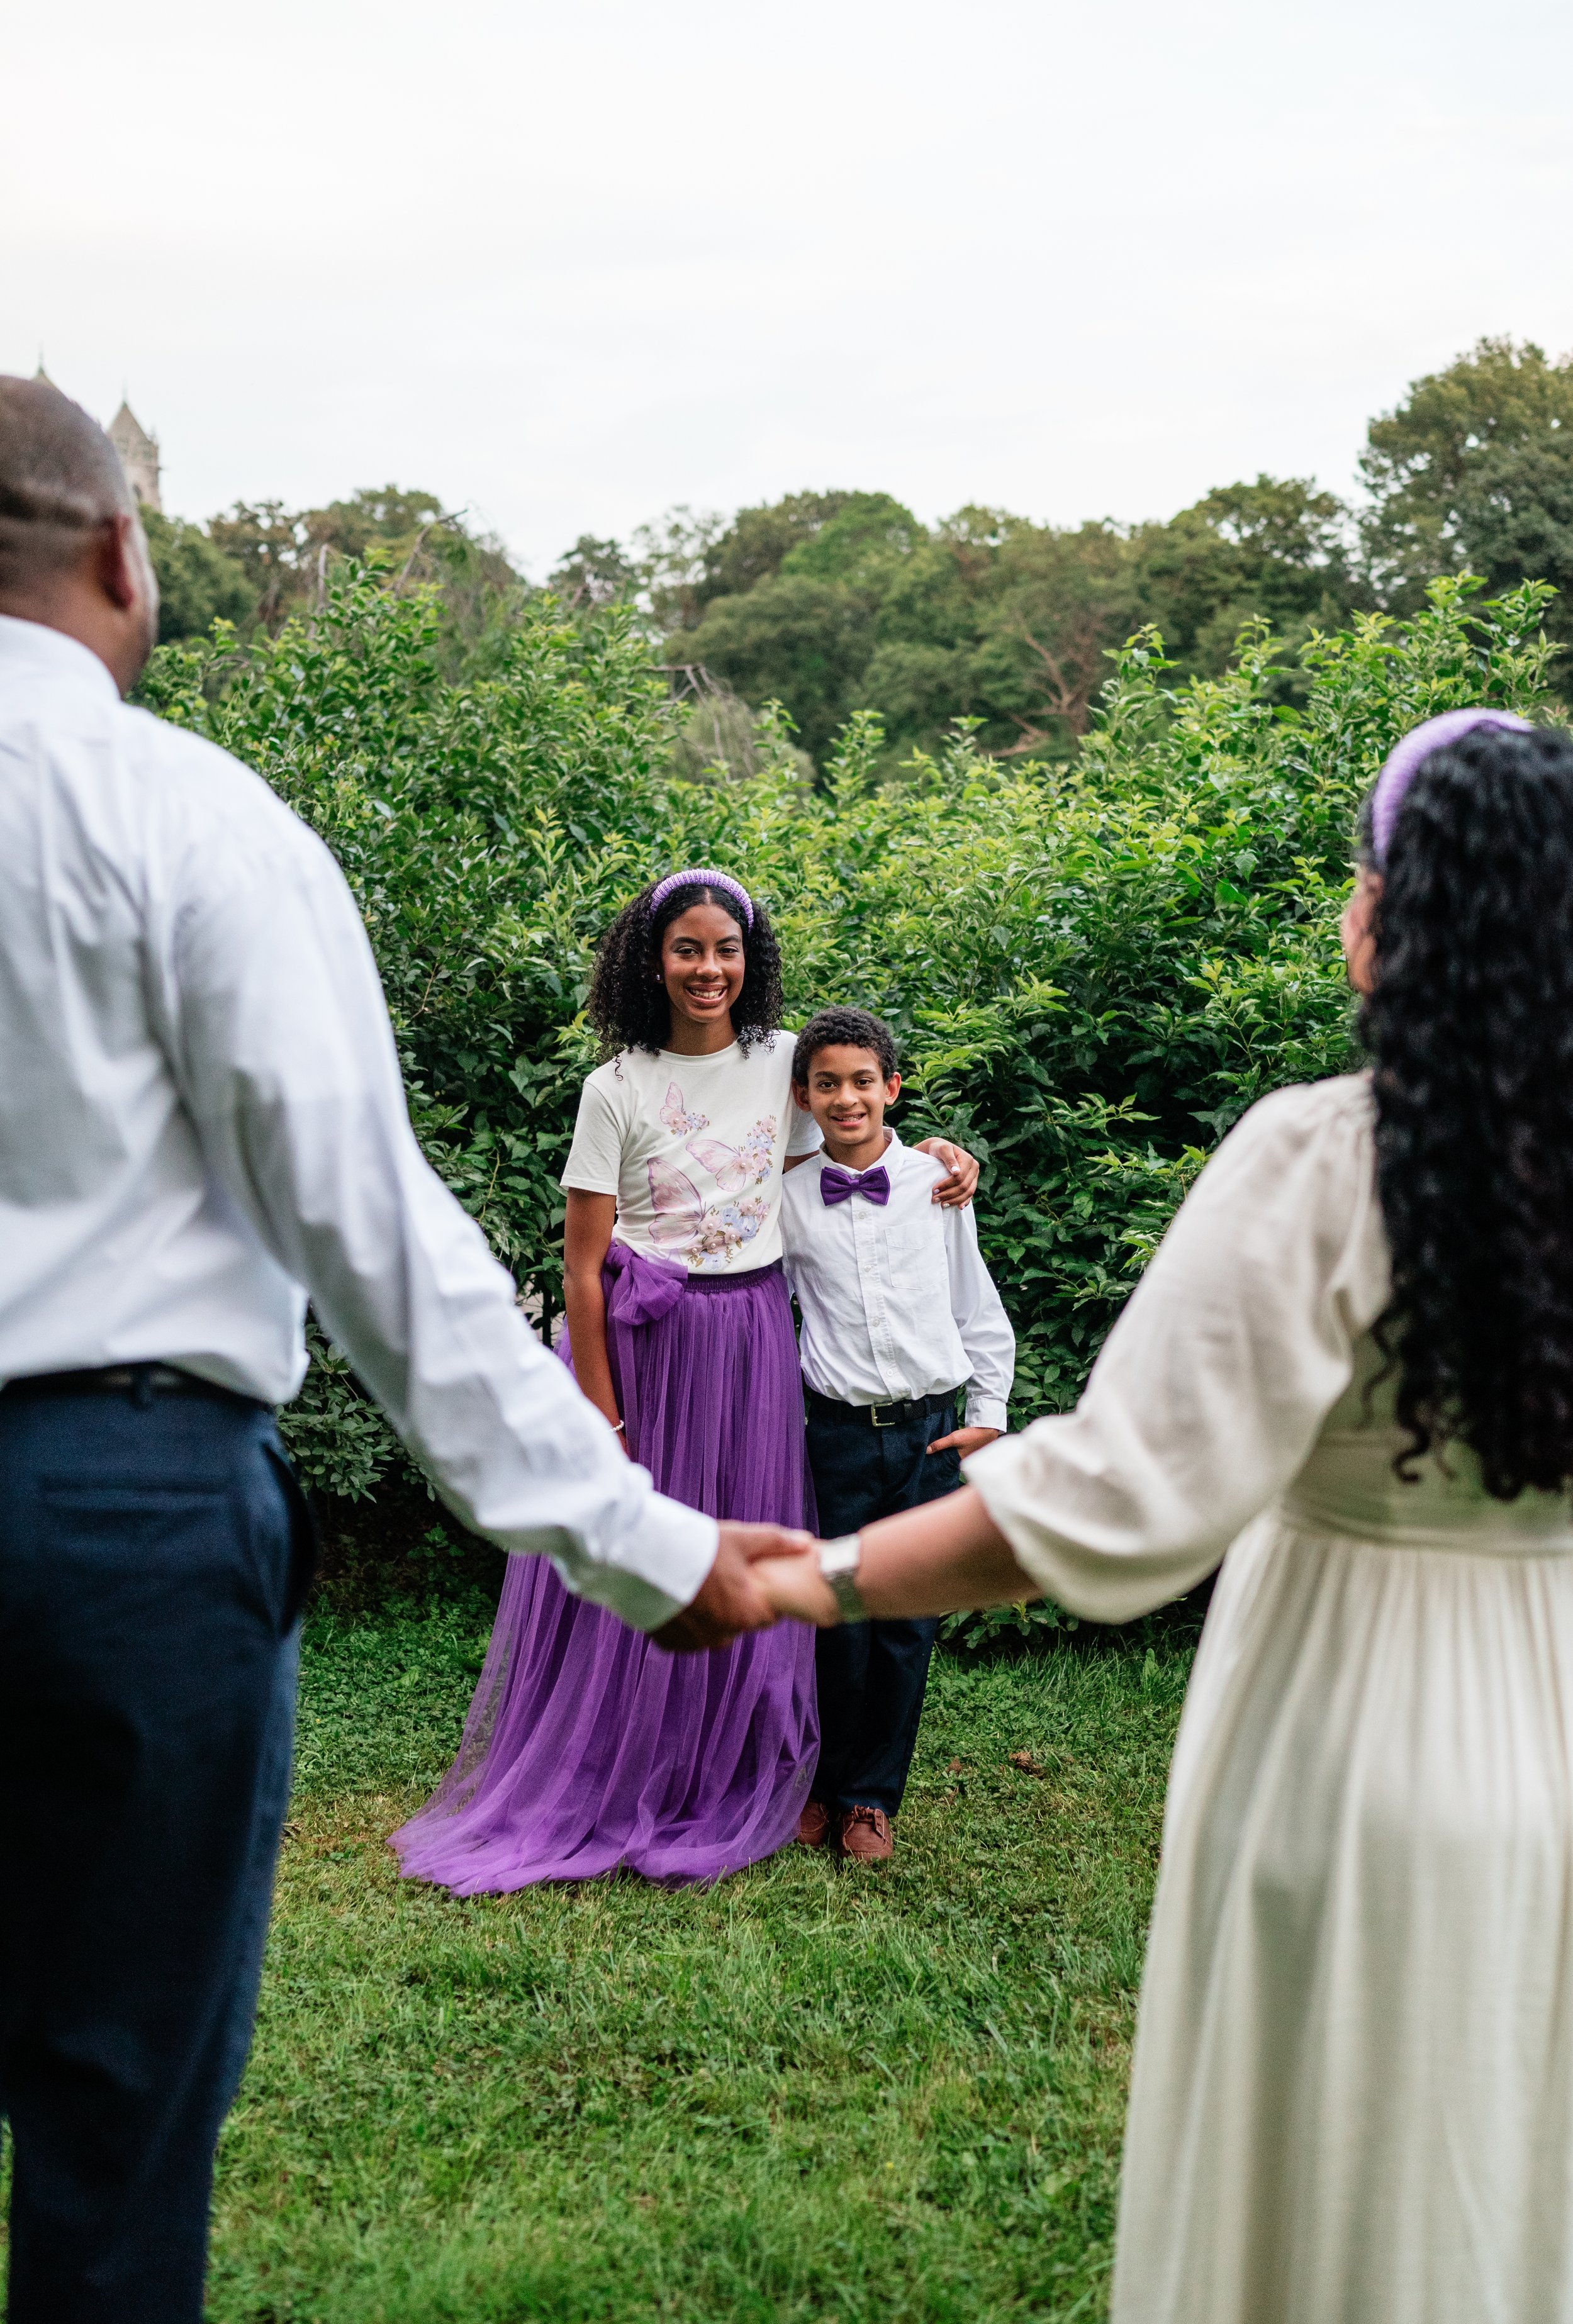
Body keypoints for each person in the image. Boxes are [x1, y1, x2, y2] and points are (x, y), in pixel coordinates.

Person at [0, 377, 802, 2324]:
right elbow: (374, 1233)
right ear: (121, 555)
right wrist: (642, 1543)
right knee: (114, 2119)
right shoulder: (183, 818)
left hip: (120, 1504)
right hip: (112, 1520)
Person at [761, 710, 1573, 2324]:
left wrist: (809, 1578)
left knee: (1336, 2179)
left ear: (1384, 913)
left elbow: (1117, 1505)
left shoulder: (1320, 1157)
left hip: (1346, 1736)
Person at [394, 879, 979, 1891]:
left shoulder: (780, 1064)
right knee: (642, 1551)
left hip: (751, 1342)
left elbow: (850, 1143)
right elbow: (582, 1267)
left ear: (752, 958)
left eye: (728, 949)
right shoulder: (614, 1087)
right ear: (648, 959)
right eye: (686, 949)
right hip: (650, 1349)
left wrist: (933, 1151)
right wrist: (598, 1408)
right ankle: (619, 1765)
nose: (709, 969)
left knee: (748, 1553)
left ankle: (744, 1765)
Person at [781, 1007, 1014, 1863]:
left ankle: (872, 1799)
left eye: (862, 1081)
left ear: (893, 1087)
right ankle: (821, 1781)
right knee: (835, 1618)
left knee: (906, 1623)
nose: (848, 1097)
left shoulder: (935, 1183)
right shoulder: (788, 1196)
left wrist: (989, 1409)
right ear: (804, 1097)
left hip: (928, 1433)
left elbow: (973, 1299)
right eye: (828, 1083)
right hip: (836, 1437)